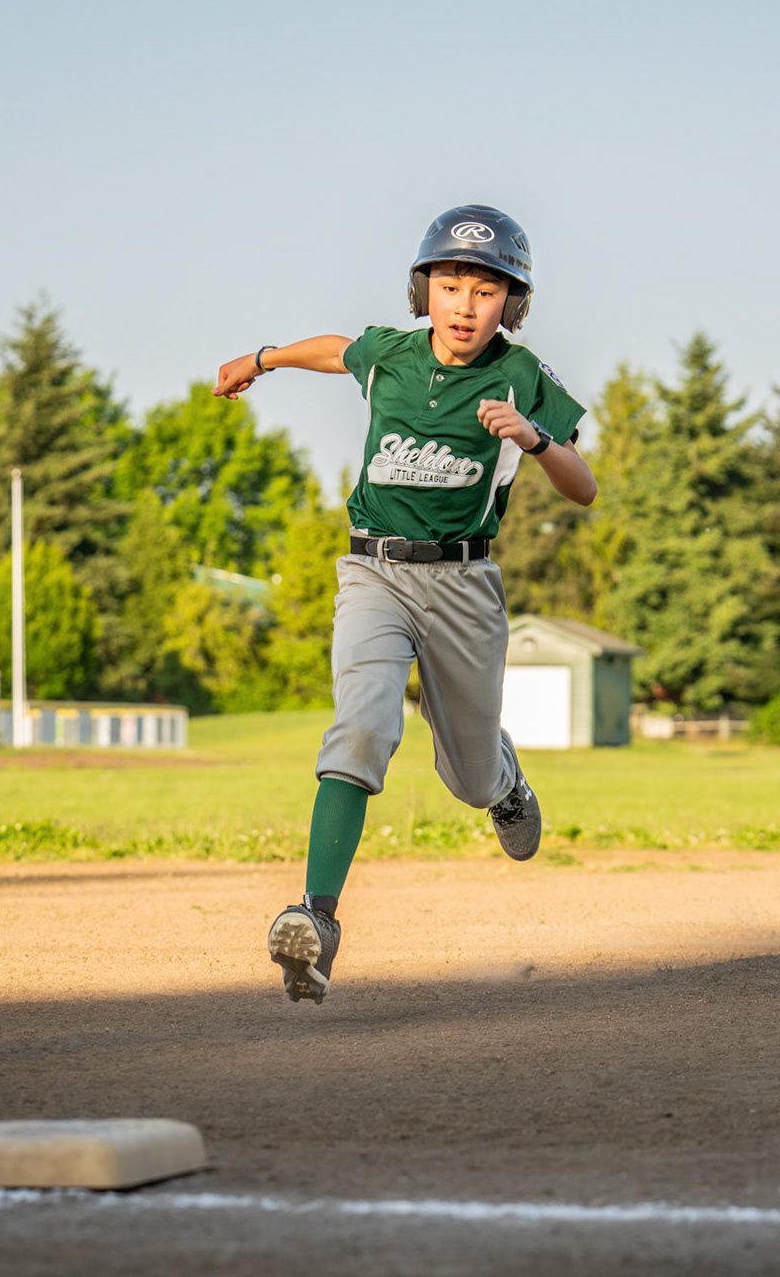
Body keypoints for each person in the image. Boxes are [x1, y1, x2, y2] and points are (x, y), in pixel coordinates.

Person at [210, 205, 597, 1005]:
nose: (465, 305)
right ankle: (317, 919)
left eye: (485, 291)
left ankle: (504, 783)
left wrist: (532, 438)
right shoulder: (391, 353)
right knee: (361, 726)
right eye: (450, 285)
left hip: (464, 586)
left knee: (470, 776)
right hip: (374, 573)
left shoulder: (521, 375)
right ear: (425, 291)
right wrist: (263, 359)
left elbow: (583, 486)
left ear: (511, 303)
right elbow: (337, 350)